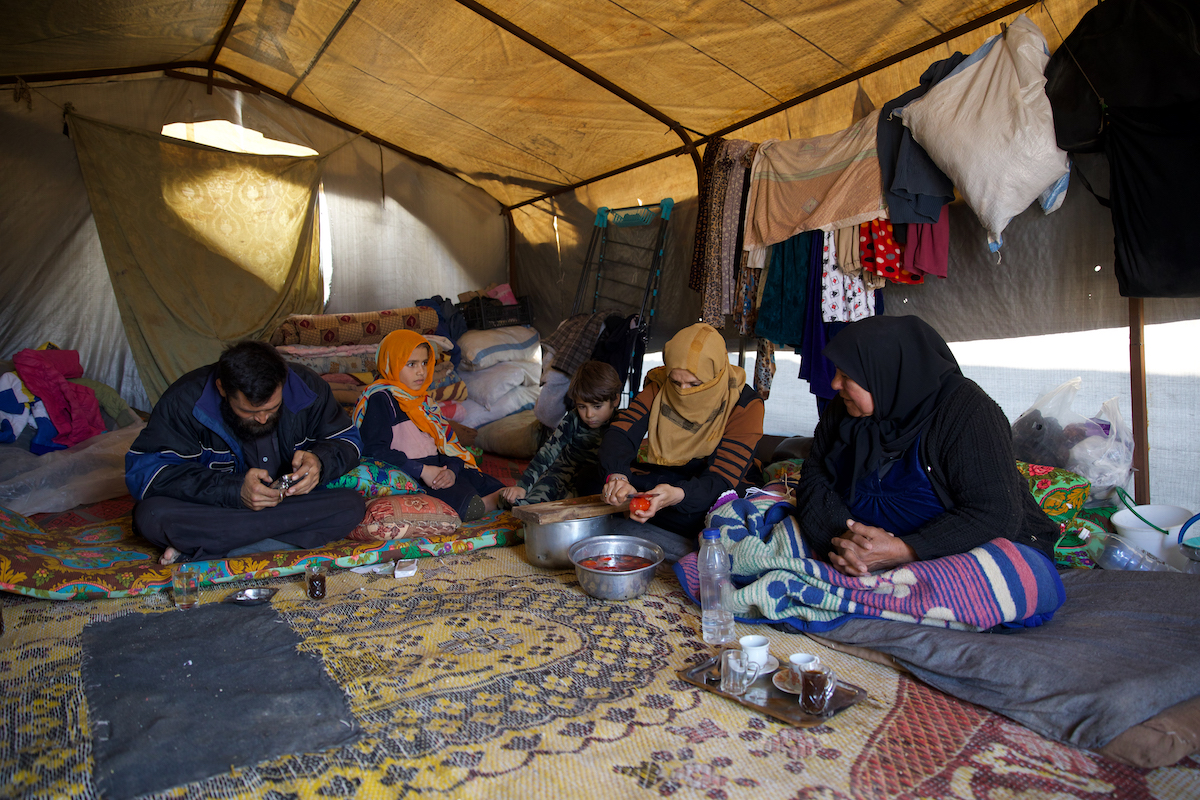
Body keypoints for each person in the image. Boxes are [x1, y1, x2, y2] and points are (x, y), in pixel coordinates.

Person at [796, 314, 1060, 577]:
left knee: (984, 584)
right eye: (837, 372)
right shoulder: (842, 410)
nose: (834, 384)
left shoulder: (967, 412)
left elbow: (995, 514)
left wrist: (906, 550)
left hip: (976, 549)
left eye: (846, 376)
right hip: (869, 554)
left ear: (885, 375)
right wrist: (845, 541)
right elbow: (814, 479)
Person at [126, 341, 366, 565]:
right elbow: (147, 474)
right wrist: (233, 490)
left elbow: (347, 440)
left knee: (350, 506)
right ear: (222, 389)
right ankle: (263, 542)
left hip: (289, 505)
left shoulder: (306, 386)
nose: (262, 419)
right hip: (218, 510)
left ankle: (211, 547)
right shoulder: (184, 399)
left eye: (272, 408)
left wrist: (320, 462)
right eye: (249, 412)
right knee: (152, 515)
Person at [599, 323, 765, 535]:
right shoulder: (660, 384)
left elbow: (721, 478)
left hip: (716, 480)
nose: (683, 392)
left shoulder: (746, 404)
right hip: (671, 472)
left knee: (715, 512)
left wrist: (678, 496)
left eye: (695, 385)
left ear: (716, 376)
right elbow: (621, 433)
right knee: (596, 481)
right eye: (676, 382)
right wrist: (618, 478)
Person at [355, 330, 502, 520]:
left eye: (424, 363)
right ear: (390, 364)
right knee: (467, 504)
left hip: (438, 469)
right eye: (411, 364)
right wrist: (422, 471)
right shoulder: (381, 399)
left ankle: (495, 497)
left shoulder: (425, 402)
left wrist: (451, 470)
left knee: (484, 482)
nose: (421, 371)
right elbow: (374, 451)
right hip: (408, 473)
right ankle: (487, 503)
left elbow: (448, 445)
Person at [501, 361, 622, 507]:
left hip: (595, 481)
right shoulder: (573, 418)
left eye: (597, 406)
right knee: (531, 503)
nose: (589, 414)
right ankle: (508, 499)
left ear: (615, 400)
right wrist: (522, 486)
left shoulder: (622, 423)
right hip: (562, 475)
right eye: (582, 406)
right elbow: (547, 453)